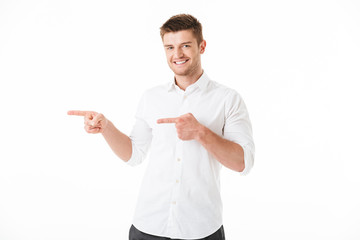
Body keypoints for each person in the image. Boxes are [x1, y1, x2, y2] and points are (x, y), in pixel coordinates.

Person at [68, 14, 254, 240]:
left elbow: (243, 163)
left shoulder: (228, 99)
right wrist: (106, 127)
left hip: (201, 229)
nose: (177, 55)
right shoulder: (151, 97)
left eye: (185, 45)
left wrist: (200, 132)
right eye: (170, 47)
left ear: (202, 46)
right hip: (148, 226)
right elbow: (134, 154)